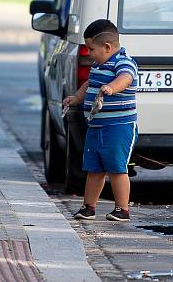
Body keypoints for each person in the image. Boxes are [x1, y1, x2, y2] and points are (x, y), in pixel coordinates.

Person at [63, 19, 138, 222]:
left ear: (107, 47)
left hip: (119, 127)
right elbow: (90, 82)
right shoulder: (99, 64)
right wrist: (77, 97)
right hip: (96, 126)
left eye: (91, 49)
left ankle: (122, 209)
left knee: (116, 167)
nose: (89, 54)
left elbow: (126, 78)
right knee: (94, 167)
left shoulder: (123, 62)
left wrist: (113, 87)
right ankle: (89, 207)